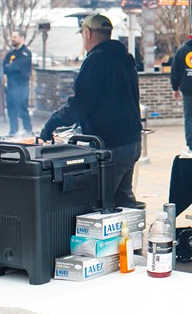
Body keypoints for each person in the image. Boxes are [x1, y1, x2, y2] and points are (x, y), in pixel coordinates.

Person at [40, 14, 143, 208]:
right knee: (123, 203)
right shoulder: (124, 58)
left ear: (87, 33)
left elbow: (80, 103)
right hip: (130, 140)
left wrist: (52, 123)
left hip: (110, 145)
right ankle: (129, 237)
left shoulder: (97, 60)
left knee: (97, 204)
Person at [3, 30, 33, 136]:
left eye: (15, 37)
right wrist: (10, 67)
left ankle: (28, 131)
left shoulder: (26, 53)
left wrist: (11, 67)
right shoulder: (10, 54)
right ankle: (13, 131)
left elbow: (17, 66)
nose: (12, 39)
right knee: (11, 111)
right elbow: (4, 68)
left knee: (23, 110)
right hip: (11, 87)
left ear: (22, 38)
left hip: (22, 87)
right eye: (12, 36)